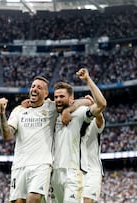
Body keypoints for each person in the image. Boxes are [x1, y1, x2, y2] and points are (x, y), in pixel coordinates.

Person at [51, 68, 107, 203]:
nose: (58, 99)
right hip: (56, 172)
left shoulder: (82, 115)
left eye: (61, 96)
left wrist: (88, 81)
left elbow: (101, 105)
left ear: (71, 99)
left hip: (81, 171)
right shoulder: (52, 114)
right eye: (56, 97)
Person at [0, 75, 57, 203]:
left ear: (46, 93)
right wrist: (2, 114)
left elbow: (72, 102)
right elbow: (8, 135)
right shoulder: (18, 110)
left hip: (41, 164)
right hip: (19, 165)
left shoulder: (51, 108)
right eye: (33, 86)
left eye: (39, 87)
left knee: (33, 198)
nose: (34, 89)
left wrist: (76, 107)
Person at [82, 110, 105, 203]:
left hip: (91, 171)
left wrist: (96, 108)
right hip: (74, 171)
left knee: (86, 200)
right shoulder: (72, 124)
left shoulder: (93, 124)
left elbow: (100, 119)